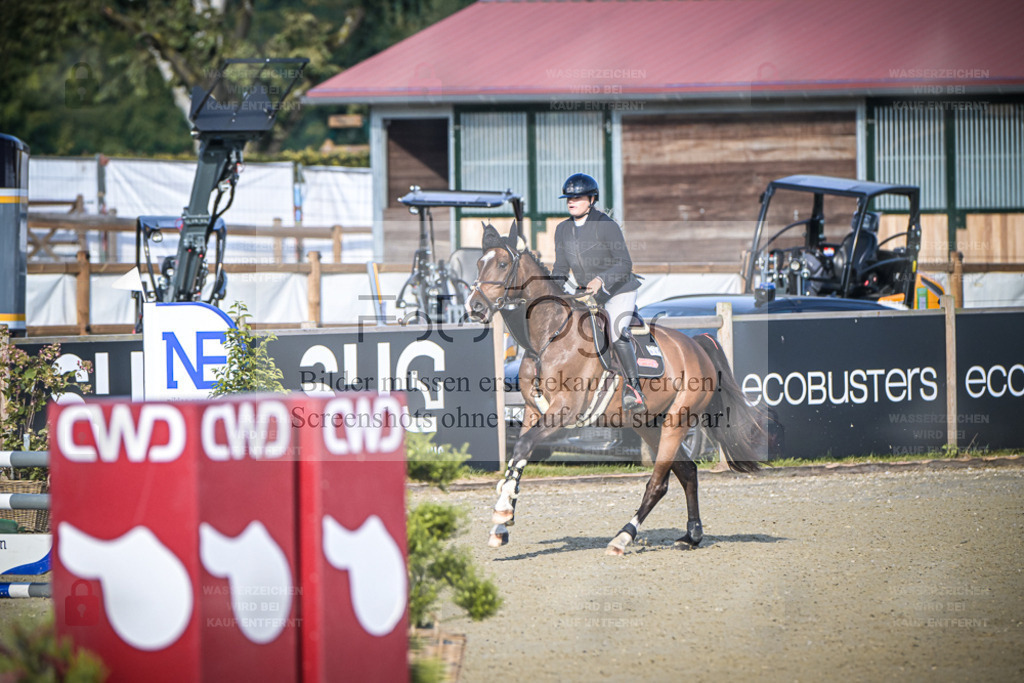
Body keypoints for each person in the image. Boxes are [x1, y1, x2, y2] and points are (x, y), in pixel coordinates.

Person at [551, 173, 646, 412]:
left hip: (618, 290)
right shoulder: (562, 230)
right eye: (568, 198)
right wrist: (549, 290)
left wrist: (601, 280)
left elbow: (625, 264)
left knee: (615, 331)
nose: (571, 201)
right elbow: (561, 268)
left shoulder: (606, 225)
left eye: (578, 197)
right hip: (587, 295)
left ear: (592, 199)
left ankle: (634, 389)